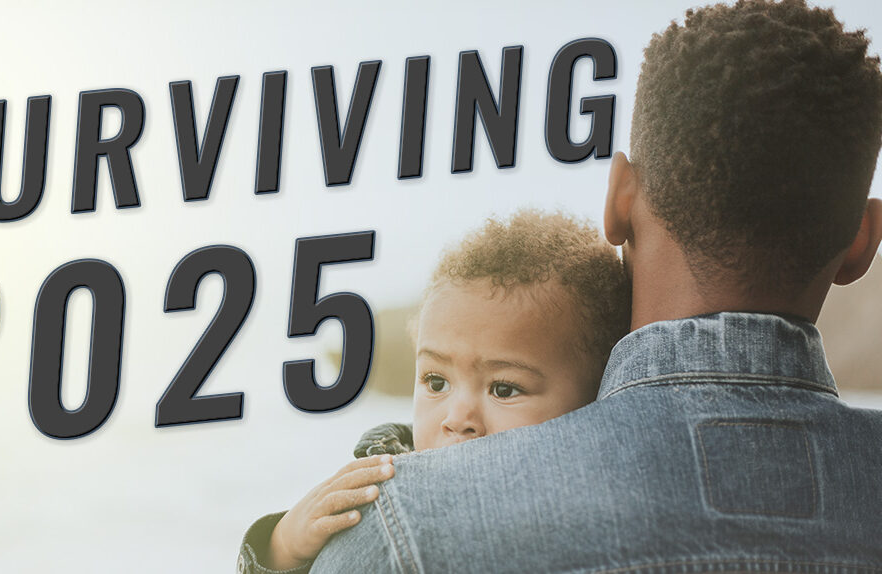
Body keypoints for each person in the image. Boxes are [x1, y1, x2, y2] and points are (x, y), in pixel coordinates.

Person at [308, 0, 882, 571]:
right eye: (436, 379)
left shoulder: (402, 528)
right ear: (861, 242)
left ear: (618, 201)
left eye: (505, 389)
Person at [236, 210, 631, 573]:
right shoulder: (380, 482)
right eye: (436, 382)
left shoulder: (608, 514)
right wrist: (283, 547)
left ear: (595, 397)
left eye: (504, 389)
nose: (457, 418)